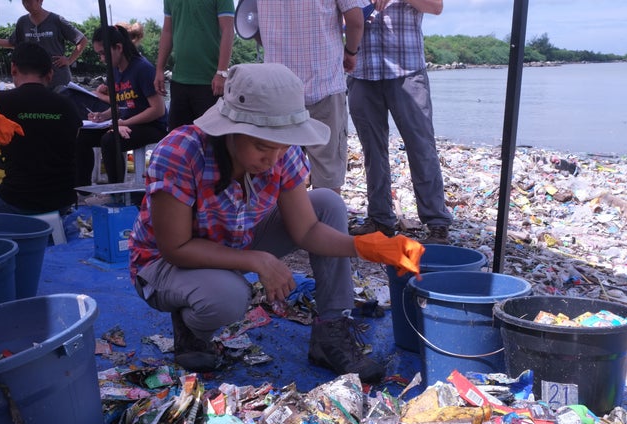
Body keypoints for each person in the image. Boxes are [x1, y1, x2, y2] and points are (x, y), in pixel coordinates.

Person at [129, 63, 424, 384]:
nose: (273, 158)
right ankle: (190, 326)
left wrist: (369, 246)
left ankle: (331, 331)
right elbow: (175, 248)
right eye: (261, 146)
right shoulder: (181, 152)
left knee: (327, 203)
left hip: (232, 241)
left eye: (282, 145)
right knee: (228, 297)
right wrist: (256, 259)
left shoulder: (281, 153)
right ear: (231, 128)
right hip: (165, 266)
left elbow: (308, 230)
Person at [347, 0, 453, 243]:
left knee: (421, 147)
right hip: (361, 71)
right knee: (372, 151)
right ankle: (380, 219)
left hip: (407, 70)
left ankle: (436, 222)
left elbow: (436, 6)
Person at [257, 0, 367, 194]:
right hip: (324, 83)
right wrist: (350, 52)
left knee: (278, 169)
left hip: (277, 89)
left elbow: (250, 24)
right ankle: (324, 220)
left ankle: (284, 222)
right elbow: (356, 20)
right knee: (328, 171)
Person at [0, 43, 81, 214]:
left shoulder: (0, 103)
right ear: (50, 74)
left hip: (17, 200)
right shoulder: (68, 106)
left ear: (13, 69)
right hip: (62, 201)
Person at [75, 25, 167, 186]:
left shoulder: (142, 69)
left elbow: (158, 110)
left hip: (152, 126)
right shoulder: (115, 70)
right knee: (82, 136)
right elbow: (121, 105)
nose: (102, 59)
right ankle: (83, 188)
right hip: (125, 123)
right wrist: (103, 116)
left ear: (118, 48)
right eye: (99, 55)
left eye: (103, 53)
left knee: (110, 141)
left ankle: (115, 191)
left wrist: (123, 123)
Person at [154, 0, 235, 130]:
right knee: (177, 139)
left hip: (210, 82)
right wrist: (159, 69)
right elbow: (167, 31)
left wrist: (221, 72)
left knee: (212, 140)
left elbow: (228, 30)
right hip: (179, 81)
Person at [0, 0, 87, 91]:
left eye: (29, 1)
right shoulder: (23, 22)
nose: (26, 4)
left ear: (40, 1)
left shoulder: (56, 20)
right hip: (32, 79)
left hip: (58, 78)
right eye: (24, 1)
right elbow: (12, 43)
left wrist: (69, 60)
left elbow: (82, 40)